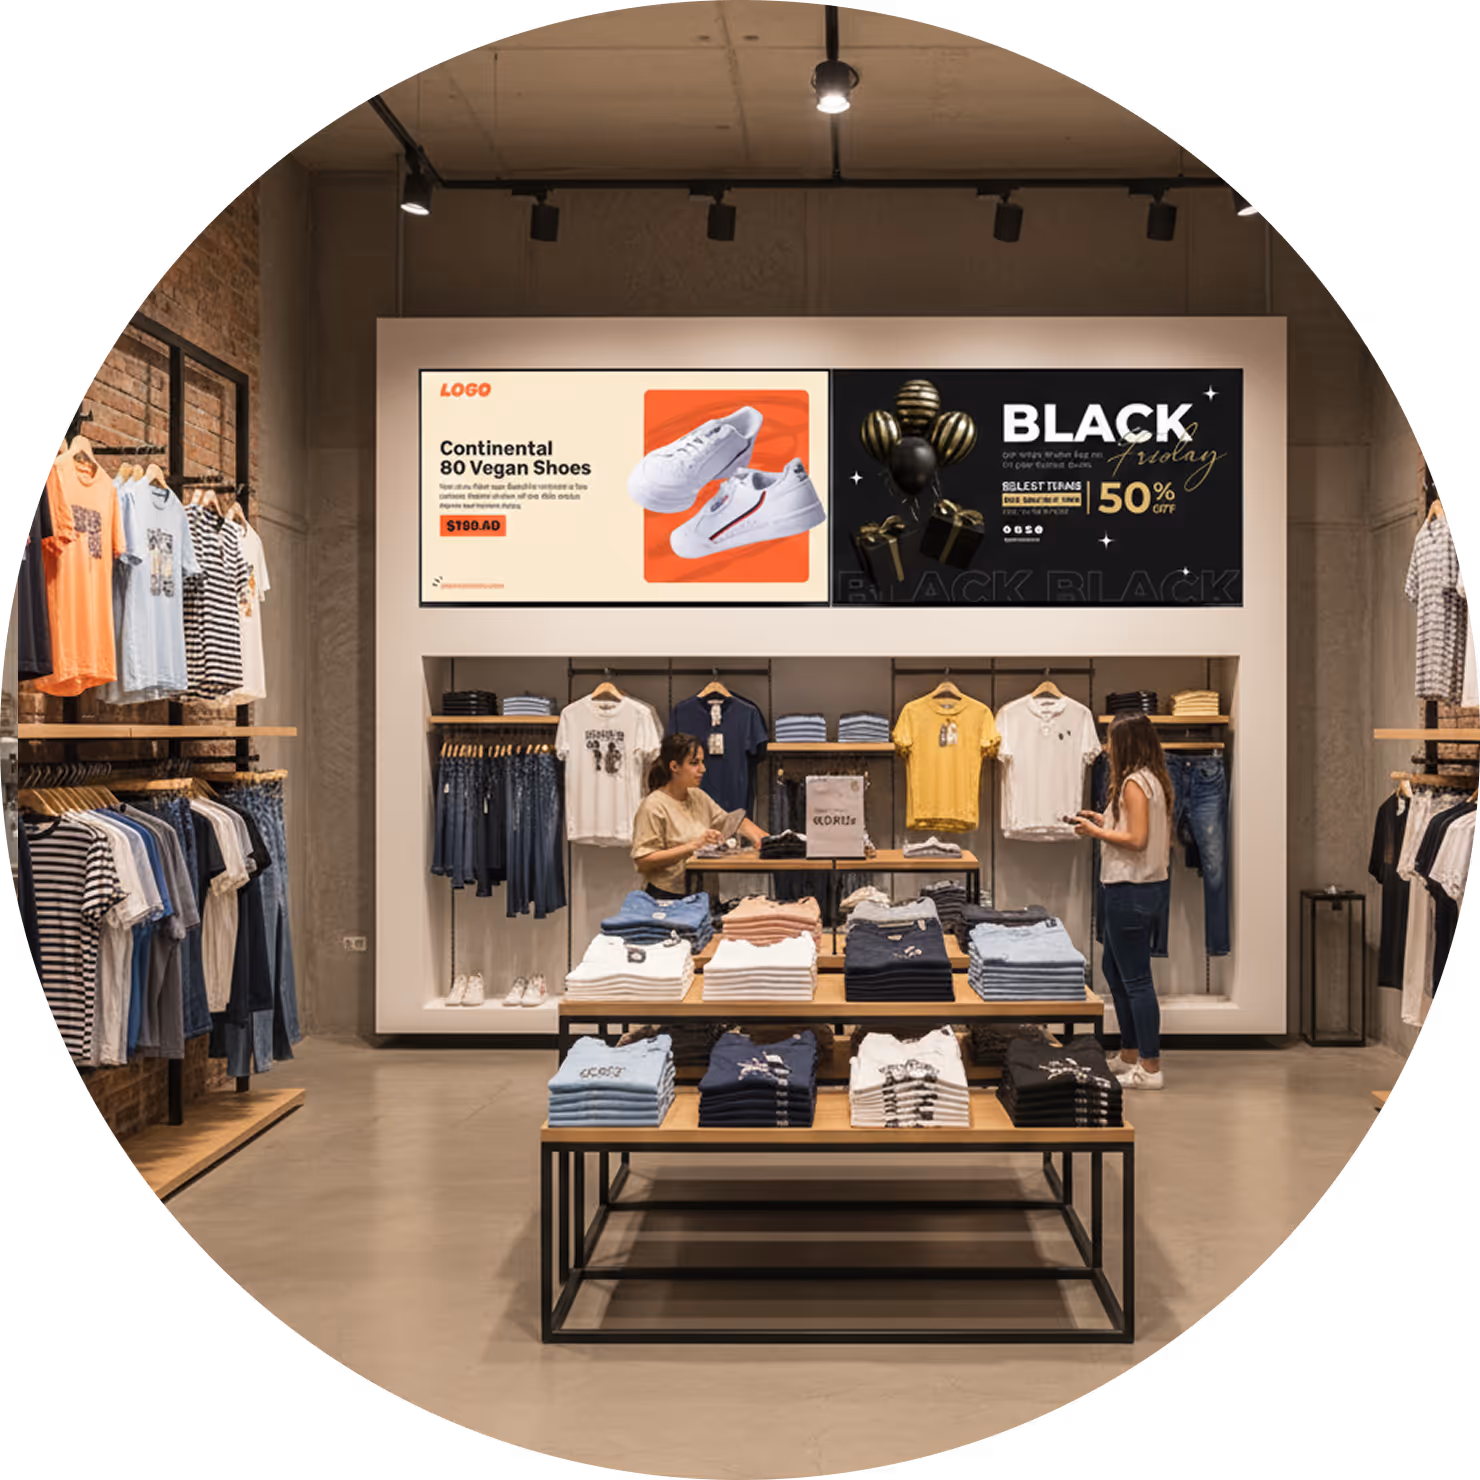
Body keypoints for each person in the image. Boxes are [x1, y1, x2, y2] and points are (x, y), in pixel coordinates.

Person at [1073, 713, 1174, 1090]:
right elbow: (1133, 829)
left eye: (1111, 740)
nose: (1106, 747)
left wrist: (1096, 831)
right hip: (1138, 888)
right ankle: (1130, 1052)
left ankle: (1150, 1066)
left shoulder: (1134, 782)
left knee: (1135, 979)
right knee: (1114, 969)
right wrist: (1101, 819)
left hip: (1131, 890)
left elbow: (1137, 840)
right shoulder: (1150, 780)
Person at [631, 733, 768, 899]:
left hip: (703, 894)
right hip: (668, 899)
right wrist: (693, 846)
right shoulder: (653, 806)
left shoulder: (698, 796)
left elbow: (731, 822)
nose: (702, 769)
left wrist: (767, 841)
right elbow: (643, 860)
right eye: (694, 763)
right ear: (674, 767)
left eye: (702, 762)